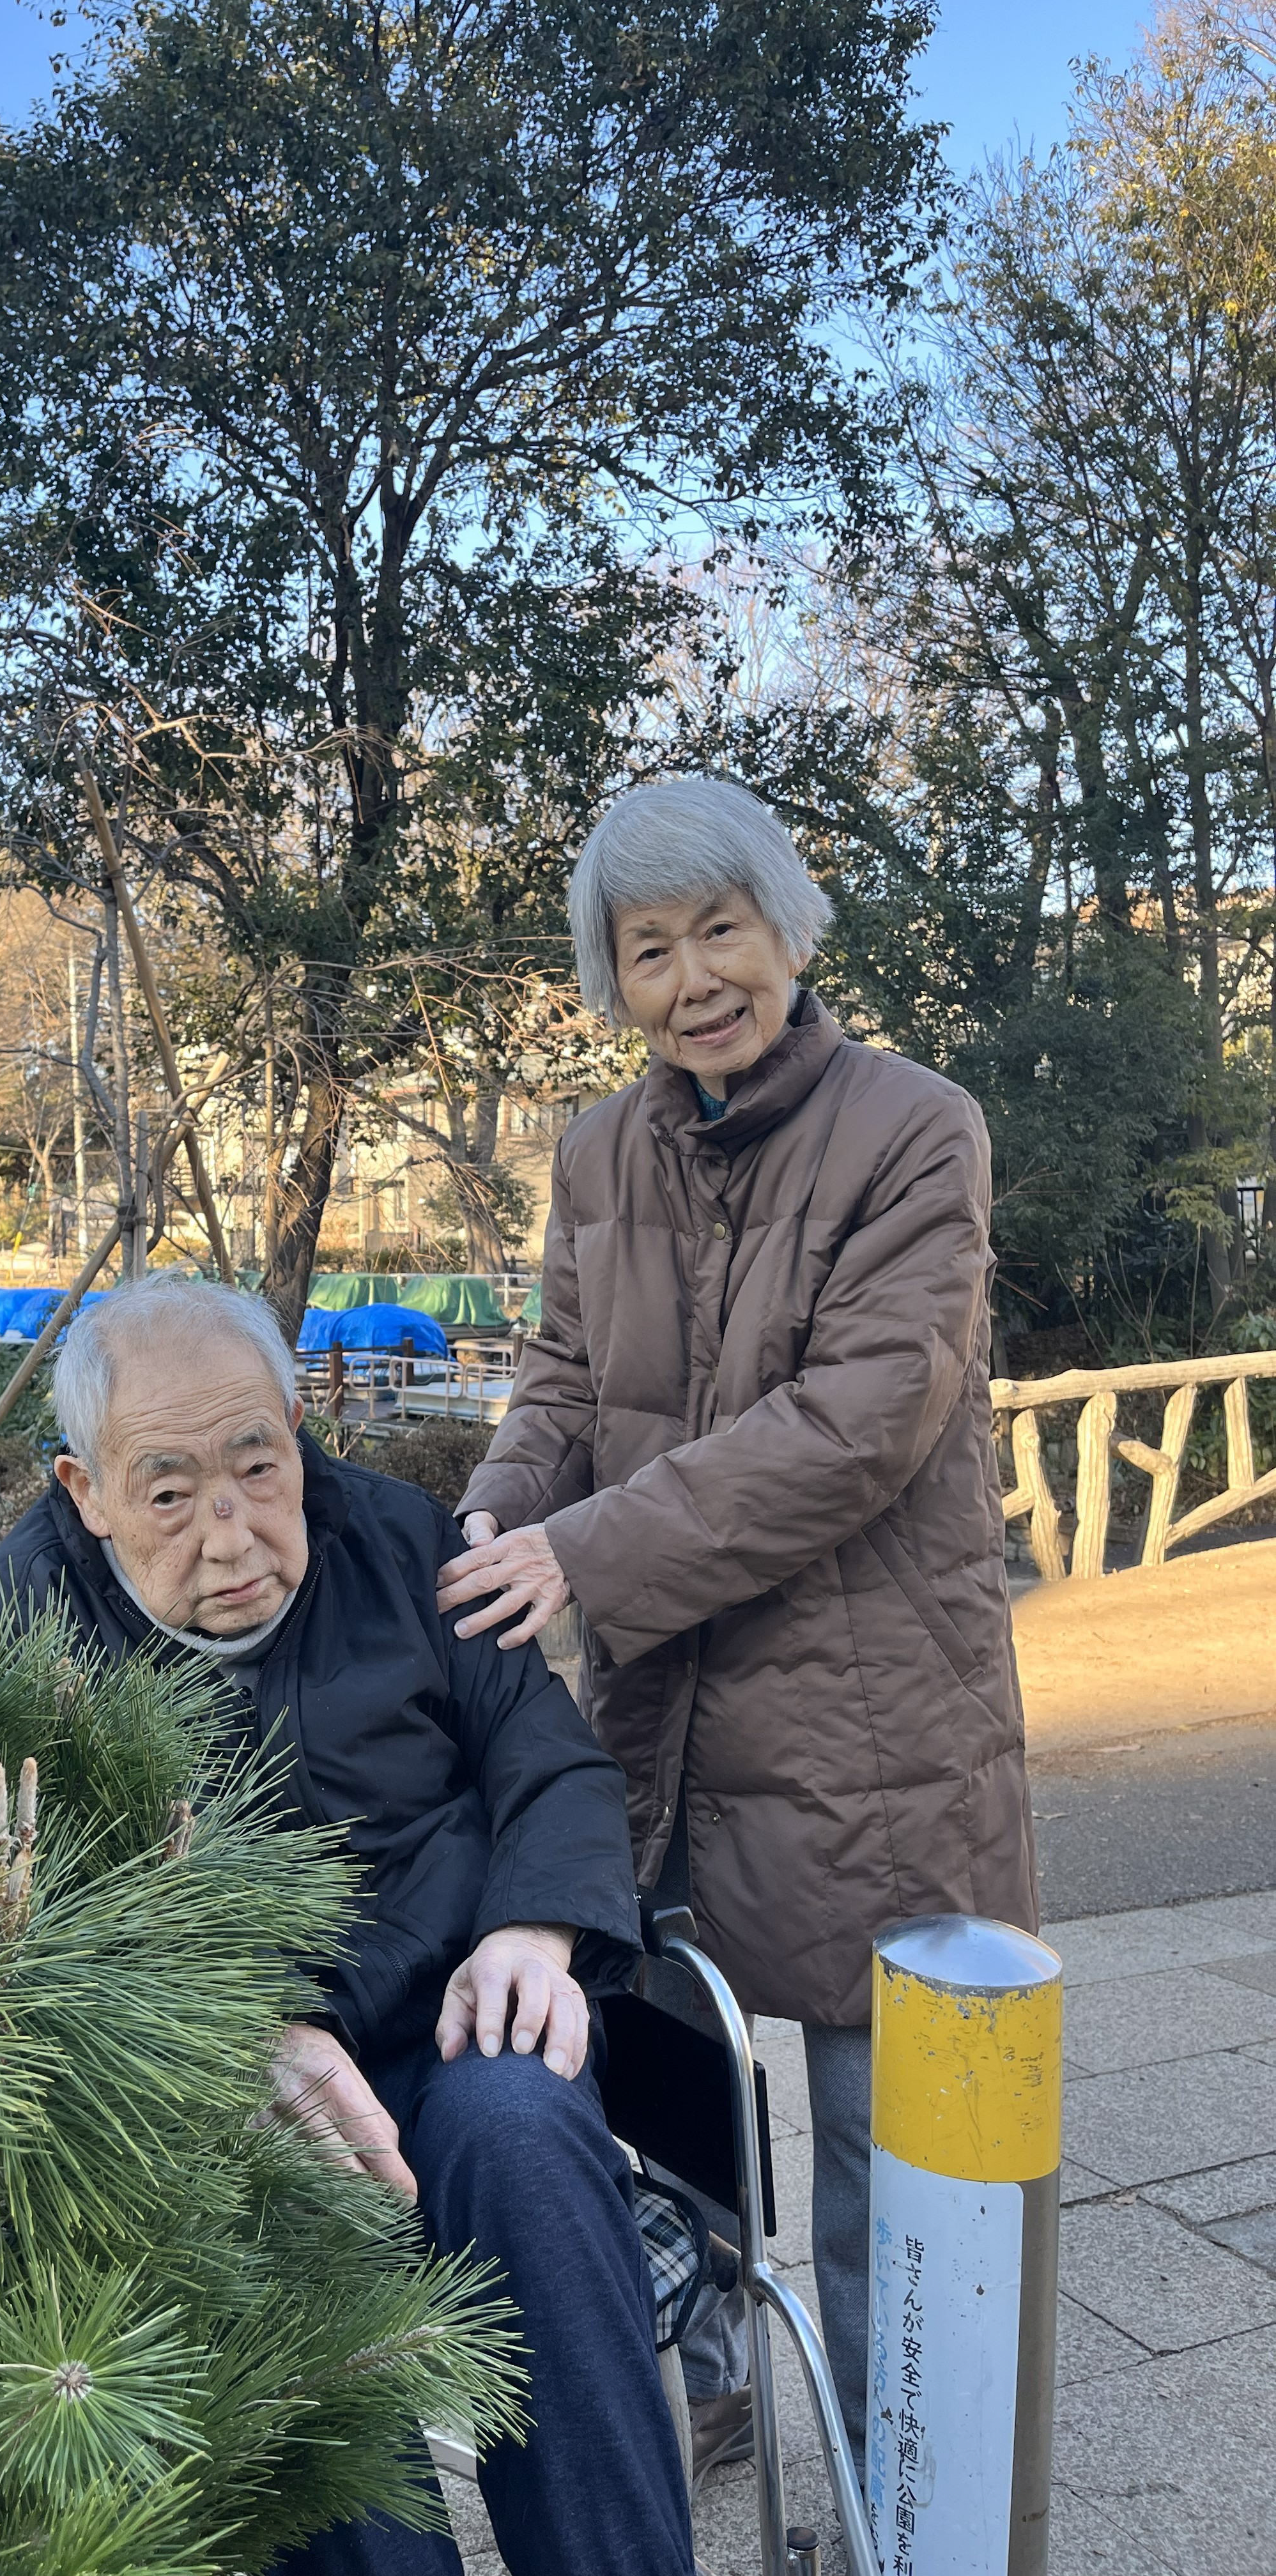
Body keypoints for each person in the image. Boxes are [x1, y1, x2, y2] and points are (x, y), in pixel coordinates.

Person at [439, 773, 1036, 2480]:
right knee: (677, 2117)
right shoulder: (595, 1150)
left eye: (724, 929)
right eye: (649, 948)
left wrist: (584, 1554)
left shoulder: (917, 1127)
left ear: (789, 928)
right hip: (657, 1725)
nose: (696, 977)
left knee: (875, 2150)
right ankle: (697, 2401)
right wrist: (498, 1504)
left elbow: (860, 1423)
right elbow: (563, 1379)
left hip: (871, 1728)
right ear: (610, 978)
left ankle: (890, 2462)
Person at [0, 1271, 696, 2576]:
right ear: (84, 1493)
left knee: (526, 2132)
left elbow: (555, 1766)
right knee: (268, 2225)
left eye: (260, 1467)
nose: (234, 1530)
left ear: (300, 1426)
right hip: (214, 2088)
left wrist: (533, 1930)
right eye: (170, 1493)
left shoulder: (405, 1544)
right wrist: (226, 2035)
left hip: (448, 2021)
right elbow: (21, 1917)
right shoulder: (22, 1627)